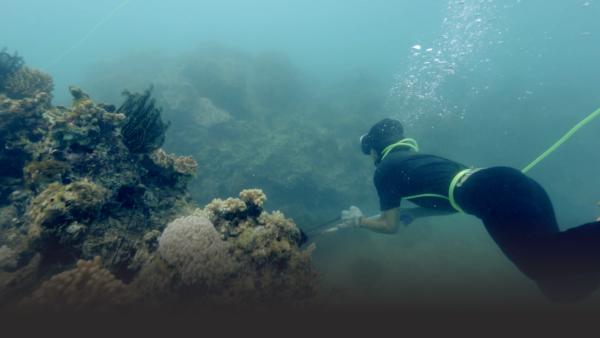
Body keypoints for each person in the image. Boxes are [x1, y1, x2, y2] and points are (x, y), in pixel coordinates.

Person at [341, 118, 600, 302]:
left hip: (495, 194)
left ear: (374, 150)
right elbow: (454, 201)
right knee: (560, 290)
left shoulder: (385, 170)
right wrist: (416, 214)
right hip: (511, 184)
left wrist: (359, 220)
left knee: (542, 265)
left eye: (370, 152)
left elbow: (390, 225)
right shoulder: (419, 161)